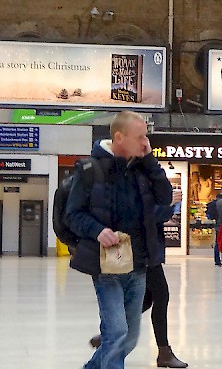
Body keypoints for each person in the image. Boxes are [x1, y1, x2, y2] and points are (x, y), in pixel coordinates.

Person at [65, 111, 173, 369]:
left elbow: (165, 197)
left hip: (138, 263)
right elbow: (73, 214)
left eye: (146, 136)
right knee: (116, 332)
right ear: (119, 137)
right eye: (140, 137)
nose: (145, 142)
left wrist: (150, 162)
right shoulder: (90, 169)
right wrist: (97, 230)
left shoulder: (143, 168)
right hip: (106, 265)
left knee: (130, 337)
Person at [89, 205, 188, 369]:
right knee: (161, 296)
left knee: (148, 299)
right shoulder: (136, 185)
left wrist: (167, 206)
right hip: (137, 252)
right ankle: (163, 351)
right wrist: (169, 204)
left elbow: (156, 217)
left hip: (146, 251)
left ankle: (110, 333)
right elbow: (143, 217)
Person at [206, 191, 222, 266]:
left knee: (218, 243)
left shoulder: (214, 203)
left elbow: (211, 216)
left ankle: (217, 260)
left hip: (218, 225)